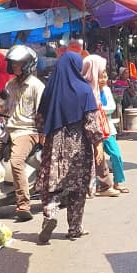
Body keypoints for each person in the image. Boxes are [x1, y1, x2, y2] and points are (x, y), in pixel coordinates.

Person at [35, 52, 105, 244]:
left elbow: (39, 120)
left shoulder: (50, 90)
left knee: (52, 185)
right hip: (77, 146)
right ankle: (75, 228)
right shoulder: (84, 90)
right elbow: (91, 123)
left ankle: (50, 215)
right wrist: (98, 144)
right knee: (77, 188)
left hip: (53, 145)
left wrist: (45, 131)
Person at [2, 45, 45, 222]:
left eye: (18, 63)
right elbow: (3, 108)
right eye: (13, 63)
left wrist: (42, 134)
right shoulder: (9, 85)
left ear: (28, 64)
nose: (14, 66)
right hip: (7, 130)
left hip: (27, 131)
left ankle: (23, 204)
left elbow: (42, 112)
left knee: (16, 161)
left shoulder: (36, 86)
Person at [82, 54, 121, 198]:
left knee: (105, 156)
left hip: (103, 129)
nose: (103, 79)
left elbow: (110, 107)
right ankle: (93, 186)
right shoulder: (84, 89)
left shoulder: (101, 90)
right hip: (87, 130)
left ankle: (110, 183)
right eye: (100, 74)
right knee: (92, 158)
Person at [98, 64, 130, 193]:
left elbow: (111, 107)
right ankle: (97, 185)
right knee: (96, 159)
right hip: (94, 130)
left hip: (107, 129)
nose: (103, 80)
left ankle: (118, 182)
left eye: (105, 77)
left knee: (116, 155)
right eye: (100, 77)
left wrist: (99, 109)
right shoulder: (89, 90)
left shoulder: (106, 90)